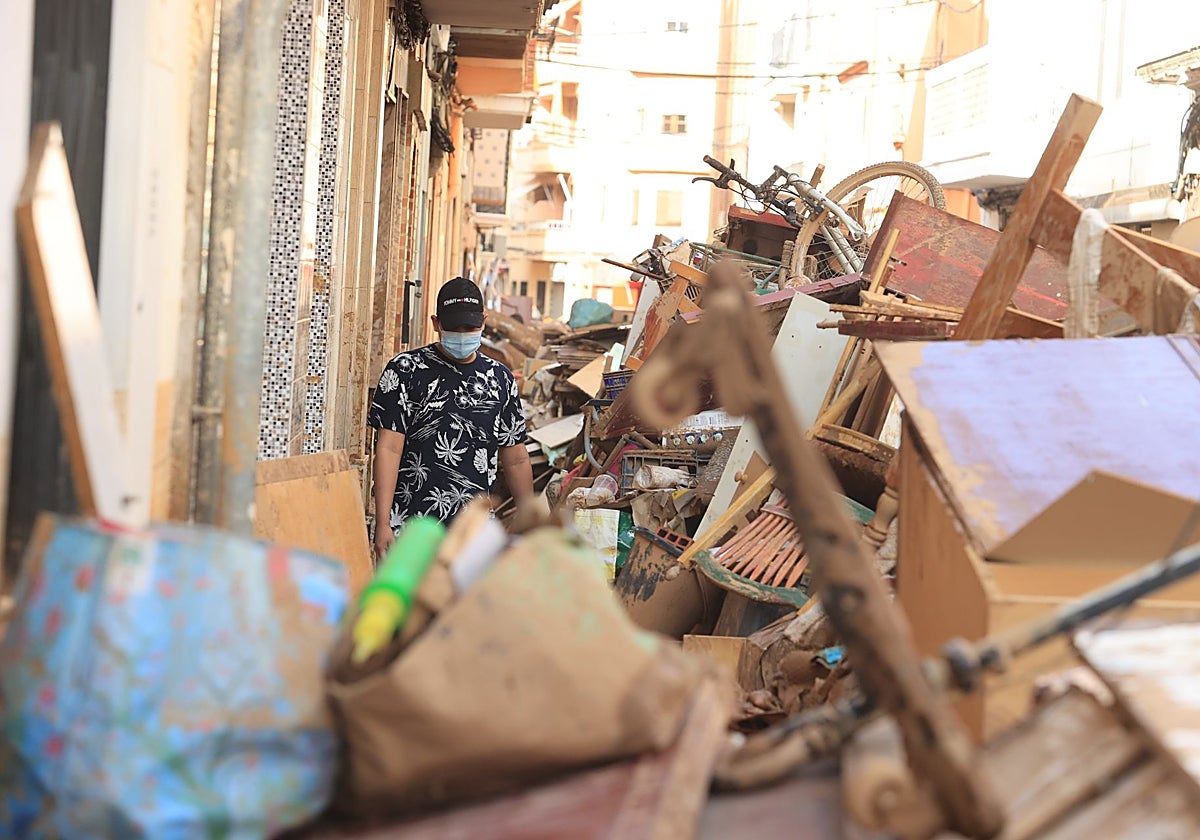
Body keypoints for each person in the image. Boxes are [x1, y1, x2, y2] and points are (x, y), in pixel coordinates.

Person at [369, 277, 534, 557]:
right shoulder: (404, 371)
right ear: (436, 323)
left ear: (483, 321)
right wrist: (383, 522)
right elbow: (388, 447)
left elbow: (516, 457)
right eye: (453, 327)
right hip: (410, 528)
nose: (462, 334)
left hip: (474, 534)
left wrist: (532, 525)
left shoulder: (499, 379)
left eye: (470, 327)